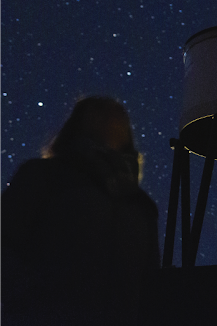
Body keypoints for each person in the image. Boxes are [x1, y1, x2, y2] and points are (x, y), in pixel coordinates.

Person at [0, 96, 160, 326]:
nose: (111, 115)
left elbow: (150, 283)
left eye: (118, 113)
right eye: (100, 109)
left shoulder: (139, 204)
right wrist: (31, 300)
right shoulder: (42, 176)